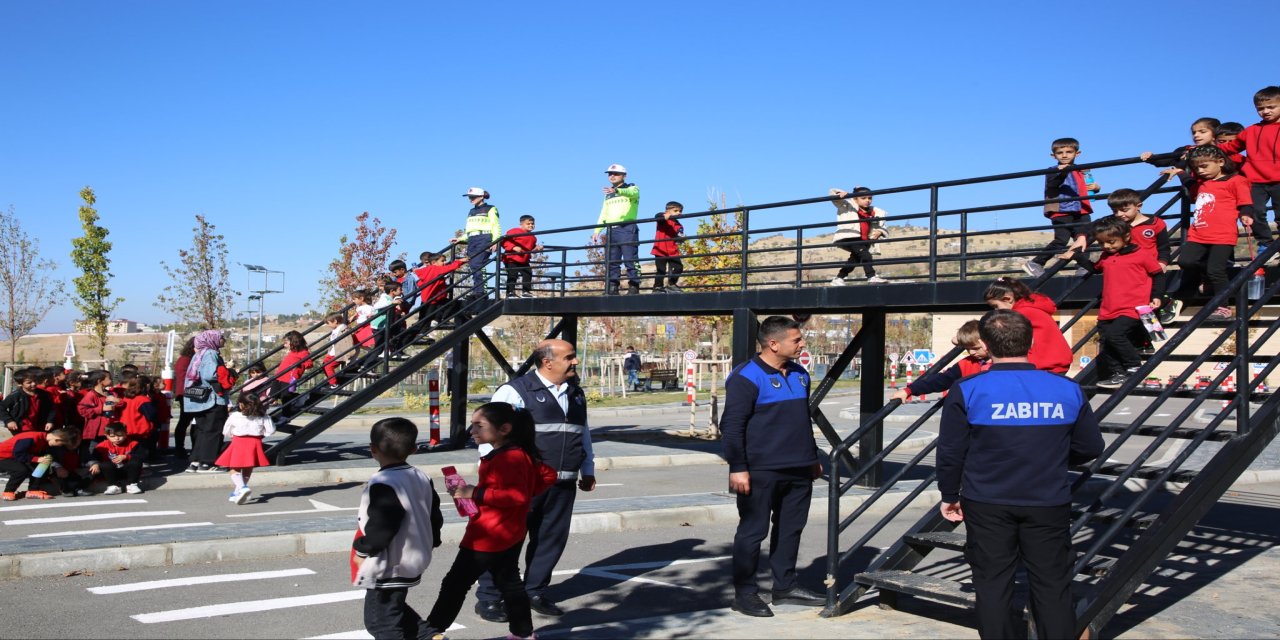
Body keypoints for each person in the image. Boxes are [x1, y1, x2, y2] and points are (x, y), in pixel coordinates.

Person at [936, 308, 1104, 640]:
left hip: (987, 500)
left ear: (986, 344)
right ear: (1031, 342)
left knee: (992, 584)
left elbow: (952, 451)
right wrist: (1051, 456)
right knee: (1052, 584)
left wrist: (949, 495)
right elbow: (1090, 446)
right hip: (1047, 499)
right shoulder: (1067, 389)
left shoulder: (968, 389)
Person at [474, 338, 596, 622]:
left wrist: (587, 468)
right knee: (505, 540)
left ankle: (534, 592)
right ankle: (490, 598)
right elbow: (488, 434)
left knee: (550, 540)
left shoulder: (576, 393)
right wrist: (494, 473)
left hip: (562, 482)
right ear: (547, 362)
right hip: (522, 483)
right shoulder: (515, 391)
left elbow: (583, 432)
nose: (575, 361)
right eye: (569, 357)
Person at [423, 403, 557, 640]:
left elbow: (517, 496)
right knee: (509, 583)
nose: (472, 431)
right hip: (510, 532)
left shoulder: (510, 457)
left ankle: (430, 633)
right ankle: (523, 634)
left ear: (504, 429)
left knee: (455, 584)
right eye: (472, 424)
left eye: (479, 425)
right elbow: (546, 476)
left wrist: (476, 493)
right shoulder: (517, 453)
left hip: (488, 534)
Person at [722, 316, 824, 617]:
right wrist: (738, 467)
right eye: (796, 340)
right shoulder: (746, 376)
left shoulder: (800, 374)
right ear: (773, 343)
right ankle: (745, 594)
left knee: (791, 529)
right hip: (760, 470)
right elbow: (732, 427)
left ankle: (785, 587)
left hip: (799, 468)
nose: (802, 343)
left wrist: (812, 458)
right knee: (753, 532)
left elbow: (801, 421)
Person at [352, 417, 444, 640]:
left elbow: (383, 525)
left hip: (389, 562)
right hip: (416, 555)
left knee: (380, 623)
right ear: (413, 449)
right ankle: (431, 637)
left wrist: (363, 549)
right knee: (394, 609)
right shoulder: (422, 476)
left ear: (372, 449)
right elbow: (434, 515)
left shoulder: (383, 481)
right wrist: (433, 540)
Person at [1062, 216, 1166, 388]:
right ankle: (1118, 373)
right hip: (1108, 309)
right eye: (1102, 243)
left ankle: (1134, 366)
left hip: (1132, 308)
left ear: (1126, 237)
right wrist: (1076, 256)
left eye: (1111, 242)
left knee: (1115, 335)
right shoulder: (1106, 256)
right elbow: (1095, 269)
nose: (1107, 246)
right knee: (1105, 341)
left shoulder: (1141, 254)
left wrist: (1157, 296)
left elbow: (1158, 274)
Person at [1168, 145, 1254, 321]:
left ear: (1220, 162)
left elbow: (1245, 202)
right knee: (1185, 261)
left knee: (1216, 270)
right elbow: (1191, 185)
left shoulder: (1236, 181)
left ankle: (1223, 306)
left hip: (1223, 234)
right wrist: (1180, 172)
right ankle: (1204, 276)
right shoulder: (1203, 184)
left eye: (1204, 166)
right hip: (1198, 232)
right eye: (1196, 168)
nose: (1200, 171)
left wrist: (1246, 214)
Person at [1024, 137, 1100, 277]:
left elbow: (1085, 187)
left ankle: (1082, 266)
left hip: (1081, 209)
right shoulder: (1053, 170)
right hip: (1061, 210)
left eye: (1069, 152)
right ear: (1053, 156)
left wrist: (1096, 188)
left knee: (1085, 237)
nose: (1064, 155)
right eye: (1060, 153)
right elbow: (1053, 184)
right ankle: (1036, 262)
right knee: (1061, 240)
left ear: (1077, 153)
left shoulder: (1081, 171)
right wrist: (1062, 172)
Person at [1217, 86, 1280, 249]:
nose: (1265, 111)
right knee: (1254, 213)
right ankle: (1266, 245)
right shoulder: (1251, 131)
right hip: (1255, 181)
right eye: (1260, 108)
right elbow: (1230, 147)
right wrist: (1203, 149)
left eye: (1271, 107)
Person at [983, 277, 1072, 374]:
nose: (996, 310)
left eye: (996, 306)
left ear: (1008, 299)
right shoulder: (1033, 309)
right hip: (1055, 361)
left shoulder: (1020, 314)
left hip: (1043, 366)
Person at [890, 320, 990, 403]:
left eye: (976, 348)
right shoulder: (966, 364)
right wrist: (909, 390)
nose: (971, 352)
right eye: (967, 348)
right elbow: (940, 381)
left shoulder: (998, 363)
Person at [183, 329, 237, 474]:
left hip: (199, 400)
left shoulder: (198, 354)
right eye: (221, 337)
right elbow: (209, 375)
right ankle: (207, 463)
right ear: (212, 339)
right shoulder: (211, 353)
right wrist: (229, 372)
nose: (224, 339)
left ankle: (195, 461)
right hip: (213, 399)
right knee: (213, 431)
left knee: (202, 431)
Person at [215, 393, 275, 505]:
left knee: (233, 468)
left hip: (239, 441)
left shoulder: (235, 416)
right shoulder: (263, 416)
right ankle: (237, 492)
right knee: (248, 466)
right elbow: (270, 430)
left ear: (241, 404)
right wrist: (262, 433)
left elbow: (226, 431)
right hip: (255, 442)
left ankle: (242, 488)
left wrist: (231, 435)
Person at [592, 164, 642, 295]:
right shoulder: (608, 195)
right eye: (610, 174)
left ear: (624, 176)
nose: (612, 176)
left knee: (630, 259)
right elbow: (604, 213)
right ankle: (612, 287)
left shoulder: (632, 188)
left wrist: (617, 191)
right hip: (611, 230)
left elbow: (632, 193)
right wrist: (597, 230)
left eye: (616, 174)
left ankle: (634, 286)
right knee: (612, 261)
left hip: (627, 228)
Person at [0, 427, 82, 500]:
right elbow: (18, 454)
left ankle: (33, 490)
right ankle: (8, 491)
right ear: (57, 440)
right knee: (21, 470)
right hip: (3, 457)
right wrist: (37, 459)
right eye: (60, 444)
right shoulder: (32, 438)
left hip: (14, 457)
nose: (58, 446)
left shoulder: (44, 440)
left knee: (42, 465)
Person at [829, 186, 888, 285]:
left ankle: (839, 278)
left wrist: (880, 231)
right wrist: (839, 194)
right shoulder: (847, 206)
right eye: (863, 198)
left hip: (863, 240)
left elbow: (881, 225)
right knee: (866, 255)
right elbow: (836, 199)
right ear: (855, 199)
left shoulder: (874, 212)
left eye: (870, 198)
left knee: (854, 260)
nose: (867, 200)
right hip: (850, 237)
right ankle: (871, 277)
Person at [453, 187, 502, 299]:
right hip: (472, 239)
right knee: (473, 265)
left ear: (481, 197)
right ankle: (477, 291)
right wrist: (460, 238)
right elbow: (469, 230)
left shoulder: (491, 208)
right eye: (470, 197)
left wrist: (495, 241)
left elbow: (495, 226)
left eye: (473, 197)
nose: (471, 199)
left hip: (484, 238)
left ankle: (481, 292)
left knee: (478, 263)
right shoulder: (471, 211)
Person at [1139, 116, 1221, 181]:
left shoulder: (1223, 151)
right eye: (1194, 133)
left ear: (1215, 133)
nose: (1196, 135)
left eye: (1202, 132)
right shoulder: (1187, 150)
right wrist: (1151, 157)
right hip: (1196, 189)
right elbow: (1166, 160)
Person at [89, 422, 146, 495]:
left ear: (126, 434)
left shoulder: (133, 444)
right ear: (106, 436)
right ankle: (113, 486)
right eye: (112, 436)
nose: (117, 438)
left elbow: (142, 456)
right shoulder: (102, 446)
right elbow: (94, 457)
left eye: (120, 435)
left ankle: (132, 485)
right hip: (111, 473)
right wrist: (95, 464)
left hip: (128, 471)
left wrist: (126, 456)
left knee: (136, 461)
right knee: (105, 464)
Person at [413, 252, 466, 323]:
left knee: (425, 318)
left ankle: (433, 322)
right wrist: (460, 261)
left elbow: (420, 283)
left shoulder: (424, 271)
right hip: (434, 298)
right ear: (433, 262)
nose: (444, 263)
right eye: (442, 261)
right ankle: (439, 320)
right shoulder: (436, 269)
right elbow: (450, 267)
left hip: (427, 298)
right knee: (452, 305)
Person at [0, 367, 54, 434]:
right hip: (21, 427)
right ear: (20, 384)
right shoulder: (15, 396)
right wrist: (9, 421)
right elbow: (1, 407)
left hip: (39, 426)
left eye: (35, 381)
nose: (33, 384)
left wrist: (50, 421)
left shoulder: (43, 394)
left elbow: (51, 409)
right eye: (29, 382)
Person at [117, 376, 157, 458]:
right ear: (143, 387)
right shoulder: (143, 400)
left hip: (126, 429)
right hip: (140, 431)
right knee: (140, 453)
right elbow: (151, 416)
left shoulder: (125, 398)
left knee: (129, 452)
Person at [501, 215, 542, 298]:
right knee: (513, 274)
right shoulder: (514, 231)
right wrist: (513, 247)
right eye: (528, 224)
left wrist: (537, 248)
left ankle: (526, 292)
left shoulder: (533, 237)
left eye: (532, 224)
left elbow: (531, 248)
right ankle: (510, 292)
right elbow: (504, 241)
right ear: (521, 224)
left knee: (528, 273)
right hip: (511, 258)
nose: (531, 225)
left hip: (524, 260)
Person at [652, 201, 686, 293]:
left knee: (679, 267)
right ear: (667, 211)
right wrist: (664, 216)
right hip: (660, 249)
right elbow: (657, 217)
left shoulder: (679, 225)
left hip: (673, 250)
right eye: (676, 211)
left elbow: (679, 236)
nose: (679, 213)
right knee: (661, 270)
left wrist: (682, 238)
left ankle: (671, 284)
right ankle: (657, 287)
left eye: (680, 211)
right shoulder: (663, 220)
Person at [172, 337, 196, 457]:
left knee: (185, 421)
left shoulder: (184, 359)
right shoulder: (187, 360)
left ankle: (180, 448)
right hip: (187, 394)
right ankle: (180, 448)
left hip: (184, 393)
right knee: (185, 422)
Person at [322, 313, 348, 388]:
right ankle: (331, 379)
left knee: (328, 366)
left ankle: (334, 383)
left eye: (329, 323)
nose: (328, 325)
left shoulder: (343, 329)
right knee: (324, 365)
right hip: (332, 353)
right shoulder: (335, 330)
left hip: (339, 353)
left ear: (335, 321)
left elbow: (347, 342)